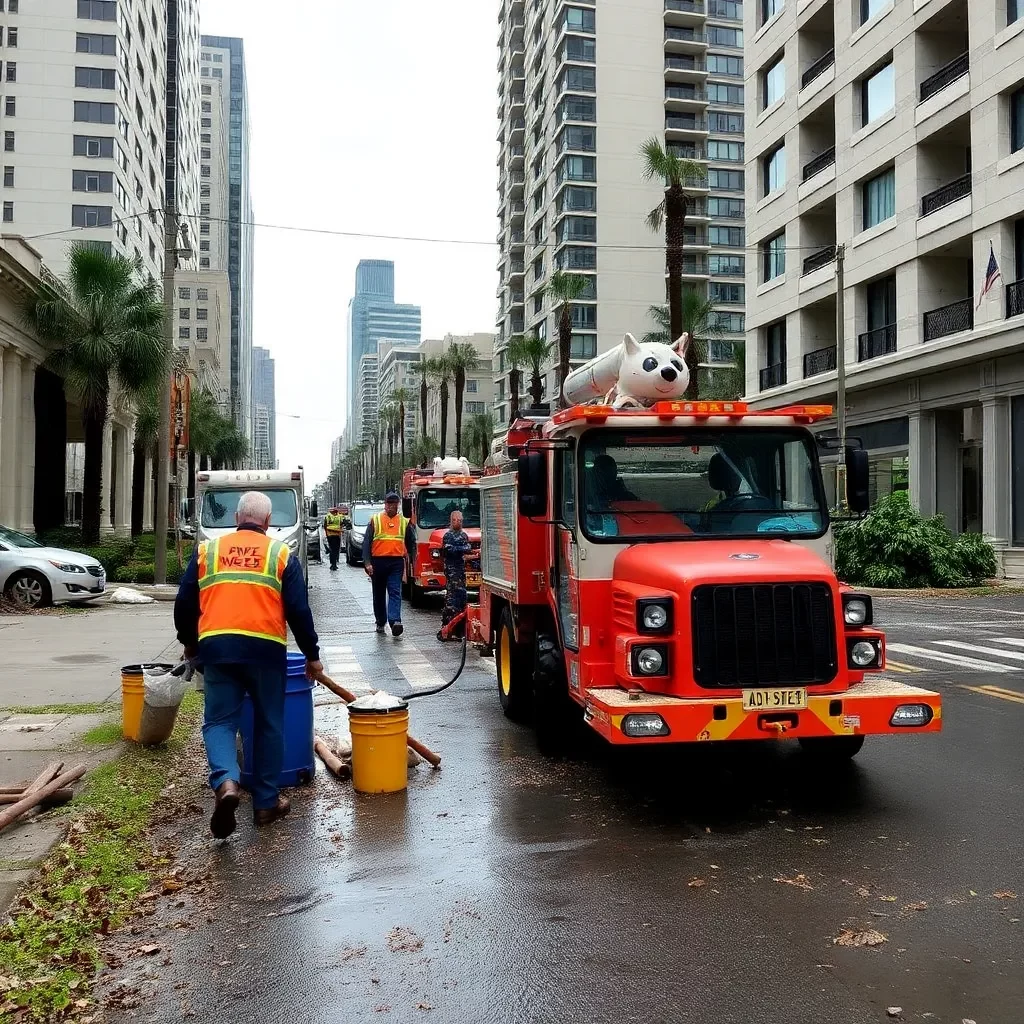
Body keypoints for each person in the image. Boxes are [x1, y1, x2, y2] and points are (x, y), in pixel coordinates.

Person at [174, 491, 323, 839]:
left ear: (237, 518)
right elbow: (299, 611)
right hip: (266, 651)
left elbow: (184, 602)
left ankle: (226, 782)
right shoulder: (281, 554)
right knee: (270, 724)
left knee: (220, 722)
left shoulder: (207, 551)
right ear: (268, 522)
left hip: (219, 649)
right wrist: (312, 656)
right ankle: (266, 805)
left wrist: (189, 642)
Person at [362, 490, 416, 638]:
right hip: (377, 562)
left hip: (396, 563)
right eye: (389, 503)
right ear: (385, 505)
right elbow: (366, 543)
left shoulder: (404, 522)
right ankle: (380, 621)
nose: (391, 506)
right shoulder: (375, 520)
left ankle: (395, 621)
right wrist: (367, 563)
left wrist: (411, 560)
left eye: (394, 503)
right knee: (378, 594)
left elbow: (411, 543)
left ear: (398, 505)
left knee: (395, 592)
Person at [437, 509, 472, 642]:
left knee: (463, 598)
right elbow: (449, 550)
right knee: (452, 600)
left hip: (461, 571)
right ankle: (447, 627)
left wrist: (464, 550)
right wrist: (463, 549)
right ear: (451, 521)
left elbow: (467, 547)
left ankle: (460, 630)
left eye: (460, 520)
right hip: (452, 572)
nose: (458, 522)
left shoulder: (463, 535)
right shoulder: (448, 535)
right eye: (455, 520)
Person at [323, 506, 344, 570]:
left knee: (333, 550)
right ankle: (333, 564)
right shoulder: (339, 517)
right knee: (335, 550)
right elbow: (341, 525)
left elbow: (325, 526)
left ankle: (333, 563)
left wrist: (327, 534)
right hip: (335, 535)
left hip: (332, 535)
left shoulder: (328, 516)